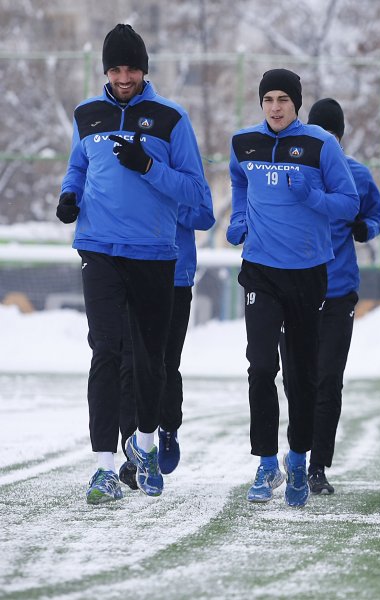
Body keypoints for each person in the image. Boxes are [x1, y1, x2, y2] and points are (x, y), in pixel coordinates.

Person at [56, 24, 212, 504]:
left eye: (132, 68)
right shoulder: (88, 115)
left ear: (145, 69)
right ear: (106, 70)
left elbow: (201, 202)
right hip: (99, 249)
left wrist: (149, 166)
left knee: (150, 361)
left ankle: (143, 446)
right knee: (105, 353)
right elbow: (78, 166)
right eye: (116, 68)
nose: (124, 77)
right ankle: (104, 466)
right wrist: (69, 194)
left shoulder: (171, 119)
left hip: (154, 254)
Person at [226, 70, 359, 507]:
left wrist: (314, 199)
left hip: (308, 272)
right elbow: (240, 181)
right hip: (260, 271)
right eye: (268, 99)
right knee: (261, 367)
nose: (276, 107)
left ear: (296, 103)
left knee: (302, 375)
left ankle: (298, 460)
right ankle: (266, 464)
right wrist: (240, 221)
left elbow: (349, 203)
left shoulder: (322, 144)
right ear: (261, 103)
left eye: (284, 99)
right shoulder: (244, 143)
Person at [278, 97, 380, 495]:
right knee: (295, 381)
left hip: (338, 290)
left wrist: (364, 229)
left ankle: (316, 465)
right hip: (295, 289)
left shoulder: (356, 174)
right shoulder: (291, 172)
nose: (327, 143)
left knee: (328, 381)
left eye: (333, 136)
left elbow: (375, 215)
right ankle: (296, 452)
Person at [117, 194, 216, 489]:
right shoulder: (127, 160)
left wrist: (168, 203)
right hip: (132, 271)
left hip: (175, 277)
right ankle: (132, 446)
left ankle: (168, 428)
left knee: (165, 363)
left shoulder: (185, 168)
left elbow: (205, 217)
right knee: (130, 363)